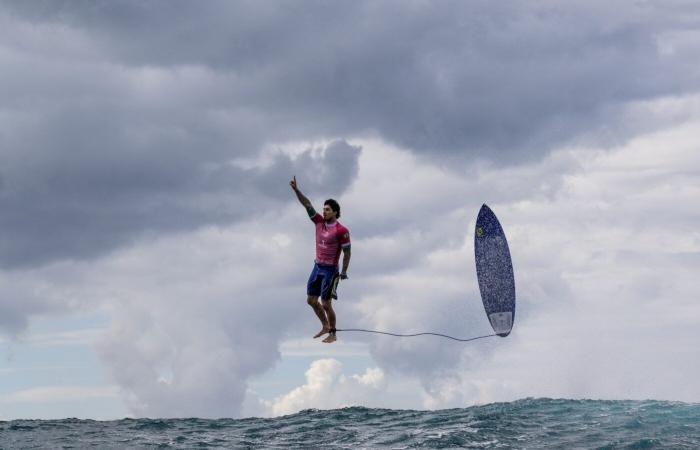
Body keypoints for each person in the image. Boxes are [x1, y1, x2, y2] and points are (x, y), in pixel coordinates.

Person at [290, 176, 351, 344]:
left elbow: (347, 252)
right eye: (323, 209)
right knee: (311, 300)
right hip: (317, 267)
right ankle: (324, 325)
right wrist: (296, 190)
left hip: (330, 271)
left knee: (325, 303)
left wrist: (344, 271)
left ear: (336, 213)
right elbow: (307, 205)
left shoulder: (341, 230)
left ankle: (333, 333)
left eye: (328, 210)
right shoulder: (318, 222)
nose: (324, 212)